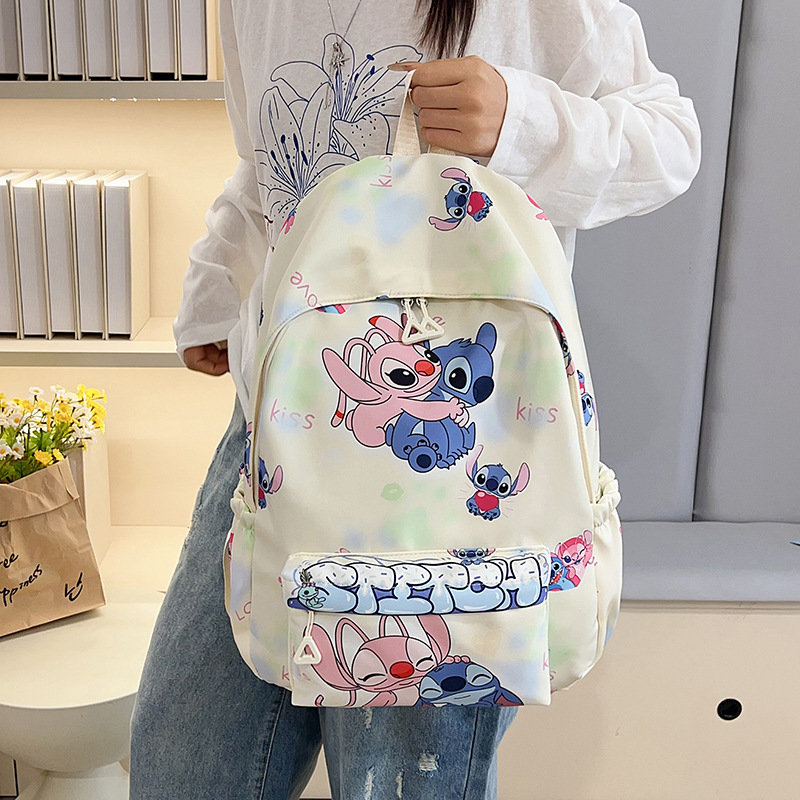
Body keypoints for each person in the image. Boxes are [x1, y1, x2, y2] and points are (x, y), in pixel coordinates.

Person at [129, 1, 701, 798]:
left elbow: (669, 138)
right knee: (183, 768)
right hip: (277, 423)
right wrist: (218, 290)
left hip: (458, 462)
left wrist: (521, 121)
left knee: (399, 783)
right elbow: (268, 165)